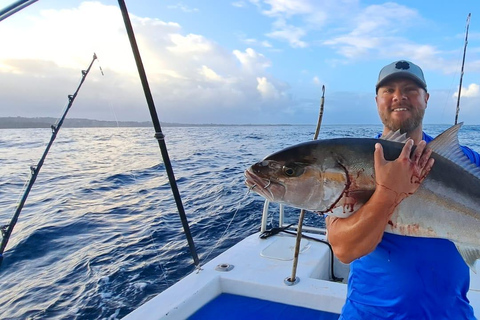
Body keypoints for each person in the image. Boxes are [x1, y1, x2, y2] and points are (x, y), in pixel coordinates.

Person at [326, 60, 480, 319]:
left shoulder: (466, 162)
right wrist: (387, 192)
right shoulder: (356, 163)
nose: (400, 96)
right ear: (377, 100)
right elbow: (344, 250)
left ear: (426, 98)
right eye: (389, 90)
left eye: (410, 89)